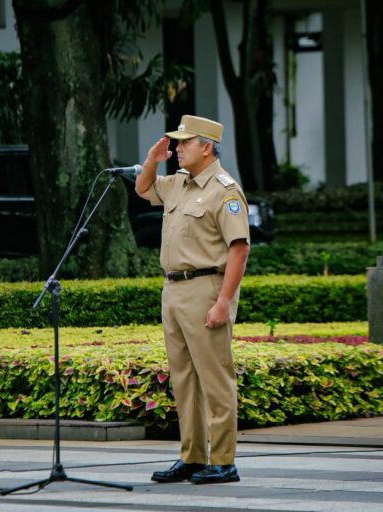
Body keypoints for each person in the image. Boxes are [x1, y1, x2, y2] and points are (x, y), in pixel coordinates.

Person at [134, 115, 250, 485]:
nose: (178, 148)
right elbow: (142, 188)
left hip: (205, 289)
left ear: (207, 146)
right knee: (183, 380)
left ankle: (224, 460)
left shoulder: (224, 189)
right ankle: (193, 456)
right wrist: (153, 158)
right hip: (173, 289)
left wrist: (223, 301)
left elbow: (239, 249)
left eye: (185, 143)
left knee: (215, 378)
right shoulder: (179, 183)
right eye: (177, 143)